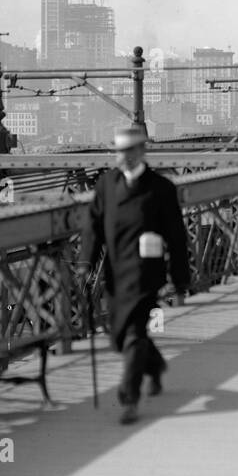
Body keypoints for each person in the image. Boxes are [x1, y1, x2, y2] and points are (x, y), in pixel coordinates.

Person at [81, 125, 191, 425]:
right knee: (119, 337)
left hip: (146, 276)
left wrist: (180, 277)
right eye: (119, 152)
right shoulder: (107, 185)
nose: (123, 157)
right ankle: (155, 366)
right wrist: (85, 262)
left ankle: (129, 398)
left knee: (133, 334)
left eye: (128, 151)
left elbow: (176, 236)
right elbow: (92, 226)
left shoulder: (161, 188)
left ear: (142, 151)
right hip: (116, 274)